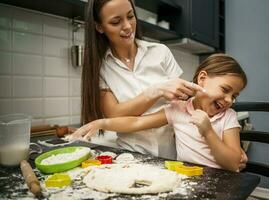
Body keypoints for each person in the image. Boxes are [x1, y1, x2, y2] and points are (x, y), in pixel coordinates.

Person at [71, 53, 248, 172]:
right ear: (202, 79)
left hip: (222, 184)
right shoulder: (179, 109)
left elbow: (233, 163)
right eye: (225, 90)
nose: (229, 100)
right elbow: (137, 123)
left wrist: (208, 132)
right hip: (187, 178)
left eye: (234, 96)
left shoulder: (228, 117)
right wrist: (102, 123)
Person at [81, 0, 204, 159]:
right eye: (116, 22)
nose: (127, 26)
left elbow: (180, 105)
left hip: (172, 152)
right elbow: (114, 115)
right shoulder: (101, 68)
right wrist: (156, 91)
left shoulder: (161, 52)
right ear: (99, 27)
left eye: (130, 16)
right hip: (131, 156)